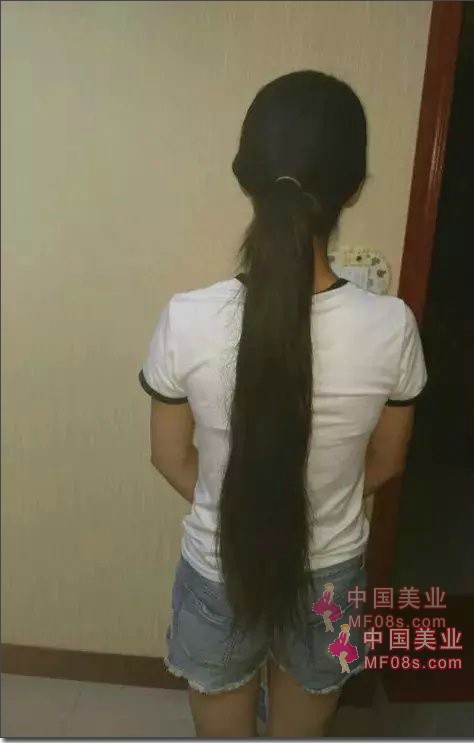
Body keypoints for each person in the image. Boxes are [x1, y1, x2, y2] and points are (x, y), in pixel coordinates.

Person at [139, 70, 427, 737]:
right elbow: (387, 461)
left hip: (219, 565)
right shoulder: (392, 328)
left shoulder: (187, 318)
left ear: (245, 177)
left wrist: (243, 499)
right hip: (330, 573)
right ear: (353, 187)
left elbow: (168, 456)